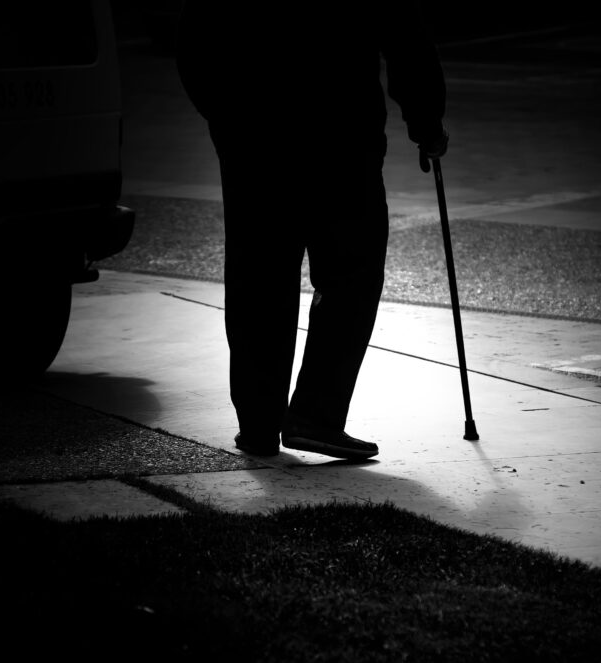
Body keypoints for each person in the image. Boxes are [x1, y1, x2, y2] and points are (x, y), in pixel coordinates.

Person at [175, 3, 448, 459]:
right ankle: (315, 414)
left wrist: (225, 117)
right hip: (341, 132)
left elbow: (196, 34)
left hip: (254, 134)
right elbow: (403, 31)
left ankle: (259, 424)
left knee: (259, 273)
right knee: (351, 274)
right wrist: (426, 120)